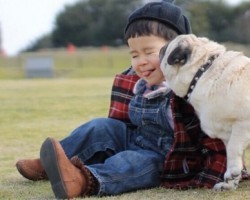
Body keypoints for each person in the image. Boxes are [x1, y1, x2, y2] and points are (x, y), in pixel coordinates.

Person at [15, 0, 249, 199]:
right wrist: (112, 139)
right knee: (100, 127)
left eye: (150, 53)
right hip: (135, 138)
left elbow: (216, 136)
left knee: (132, 163)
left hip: (163, 157)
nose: (140, 61)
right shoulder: (134, 82)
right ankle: (50, 165)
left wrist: (222, 168)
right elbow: (119, 122)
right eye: (134, 54)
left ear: (177, 51)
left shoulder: (194, 91)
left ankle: (82, 180)